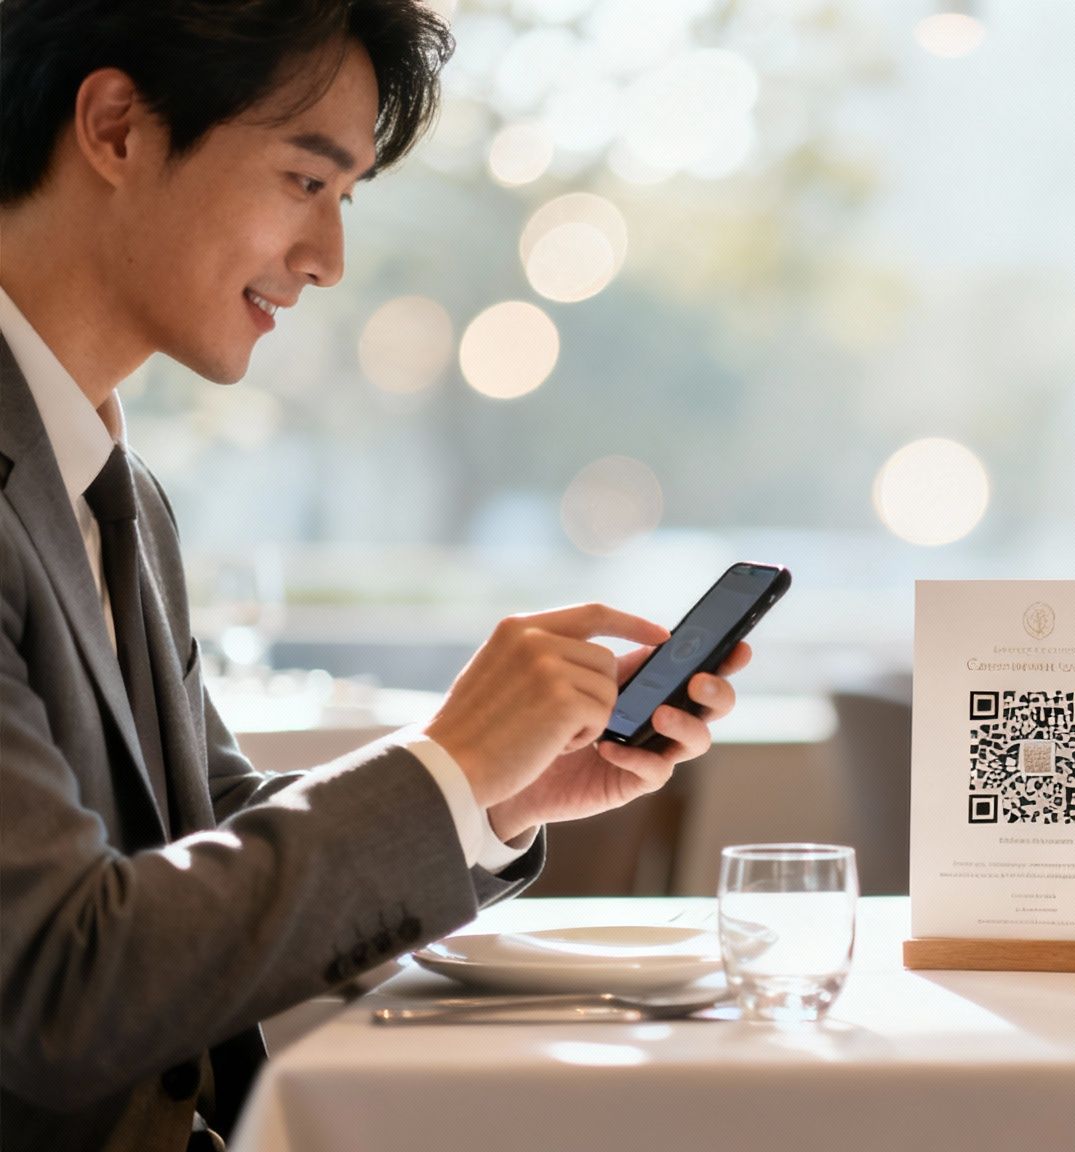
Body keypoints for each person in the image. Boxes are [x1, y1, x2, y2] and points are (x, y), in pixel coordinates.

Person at [0, 2, 749, 1147]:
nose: (329, 260)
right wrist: (441, 768)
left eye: (344, 201)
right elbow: (61, 977)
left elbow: (197, 832)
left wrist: (489, 798)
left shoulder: (116, 490)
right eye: (307, 181)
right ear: (114, 128)